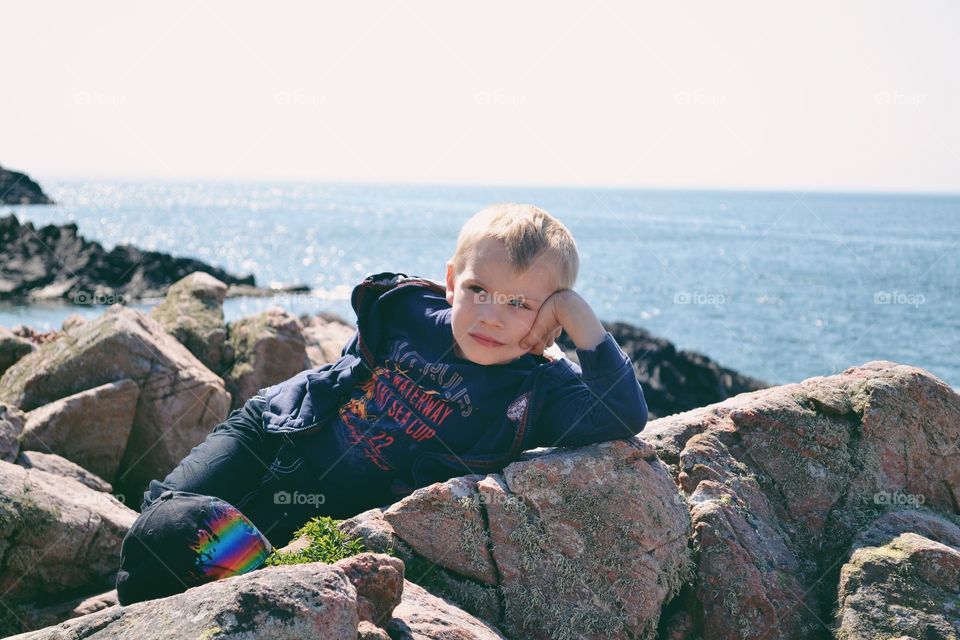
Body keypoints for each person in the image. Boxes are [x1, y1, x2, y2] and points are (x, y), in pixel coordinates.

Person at [115, 203, 648, 604]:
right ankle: (227, 563)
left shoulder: (537, 393)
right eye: (478, 289)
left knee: (186, 542)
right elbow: (358, 342)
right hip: (271, 431)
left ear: (550, 315)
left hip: (325, 502)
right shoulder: (410, 310)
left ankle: (233, 574)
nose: (491, 316)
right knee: (165, 515)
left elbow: (623, 415)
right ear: (449, 283)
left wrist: (580, 318)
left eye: (520, 304)